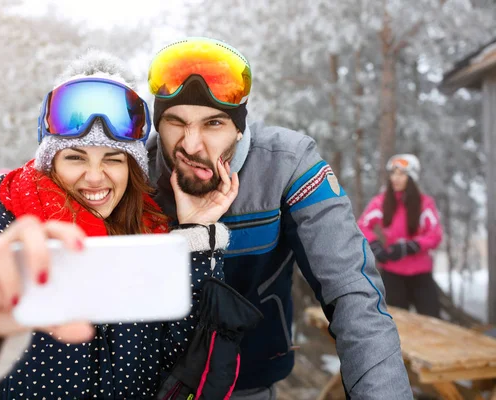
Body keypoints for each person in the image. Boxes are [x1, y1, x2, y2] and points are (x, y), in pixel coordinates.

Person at [0, 51, 251, 400]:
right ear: (50, 162)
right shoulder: (10, 213)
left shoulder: (150, 233)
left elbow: (184, 362)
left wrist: (195, 233)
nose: (95, 178)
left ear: (132, 169)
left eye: (113, 159)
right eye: (75, 157)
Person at [146, 37, 413, 399]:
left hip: (249, 382)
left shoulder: (286, 165)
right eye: (176, 122)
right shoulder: (132, 174)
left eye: (212, 124)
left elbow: (352, 291)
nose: (192, 145)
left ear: (240, 127)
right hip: (148, 384)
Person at [358, 154, 443, 318]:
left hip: (421, 275)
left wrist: (411, 246)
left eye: (402, 173)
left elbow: (435, 234)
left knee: (432, 322)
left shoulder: (424, 203)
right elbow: (362, 225)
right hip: (393, 274)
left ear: (412, 177)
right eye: (393, 173)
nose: (395, 178)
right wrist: (375, 246)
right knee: (396, 324)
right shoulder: (381, 202)